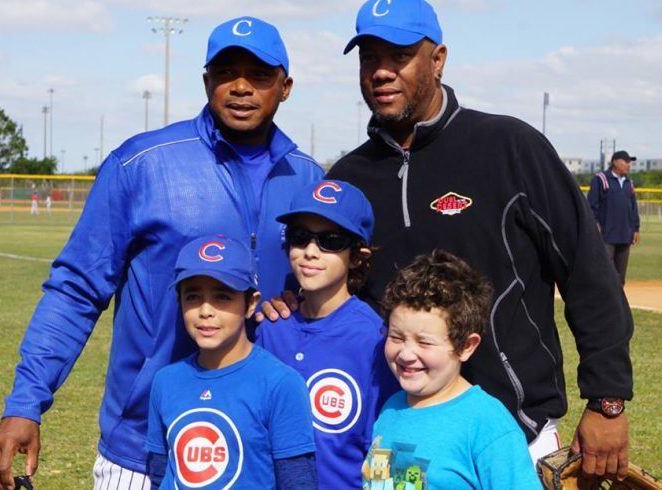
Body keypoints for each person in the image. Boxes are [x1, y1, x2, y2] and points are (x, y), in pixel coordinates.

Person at [0, 16, 323, 490]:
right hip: (144, 445)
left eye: (260, 74)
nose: (242, 87)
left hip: (258, 446)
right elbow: (76, 290)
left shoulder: (308, 180)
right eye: (227, 71)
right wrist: (26, 401)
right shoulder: (142, 164)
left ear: (285, 87)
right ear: (207, 80)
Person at [325, 0, 634, 478]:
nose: (382, 72)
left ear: (438, 59)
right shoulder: (351, 178)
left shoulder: (509, 147)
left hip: (513, 433)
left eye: (399, 55)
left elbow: (588, 274)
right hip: (403, 433)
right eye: (370, 58)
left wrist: (607, 399)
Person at [255, 180, 397, 489]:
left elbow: (385, 444)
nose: (310, 252)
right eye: (299, 237)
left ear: (357, 256)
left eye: (330, 241)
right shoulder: (270, 328)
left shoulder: (374, 339)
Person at [147, 235, 317, 489]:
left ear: (251, 303)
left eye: (222, 297)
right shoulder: (165, 381)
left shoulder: (281, 383)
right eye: (193, 297)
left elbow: (298, 481)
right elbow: (160, 472)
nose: (206, 310)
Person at [363, 249, 541, 489]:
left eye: (424, 341)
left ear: (466, 346)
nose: (405, 354)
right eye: (396, 337)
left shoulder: (488, 424)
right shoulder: (391, 407)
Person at [587, 150, 641, 286]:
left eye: (630, 162)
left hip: (625, 235)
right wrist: (595, 223)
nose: (629, 165)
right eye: (626, 161)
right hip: (607, 235)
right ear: (615, 162)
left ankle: (618, 304)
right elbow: (591, 205)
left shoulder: (629, 182)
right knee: (607, 273)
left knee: (620, 276)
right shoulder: (601, 179)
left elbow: (633, 207)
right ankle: (604, 303)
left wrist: (635, 228)